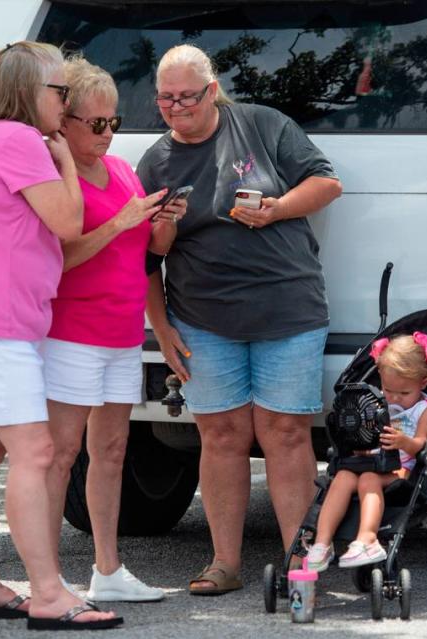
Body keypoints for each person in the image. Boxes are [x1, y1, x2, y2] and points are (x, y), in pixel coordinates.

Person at [0, 41, 121, 630]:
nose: (65, 103)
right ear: (26, 93)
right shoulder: (16, 139)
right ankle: (48, 593)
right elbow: (67, 221)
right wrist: (63, 159)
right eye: (59, 92)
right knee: (34, 453)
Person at [136, 44, 343, 595]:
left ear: (212, 91)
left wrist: (276, 208)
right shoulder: (155, 161)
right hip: (202, 318)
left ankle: (300, 566)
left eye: (186, 96)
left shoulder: (263, 125)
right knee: (221, 436)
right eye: (165, 98)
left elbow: (327, 183)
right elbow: (147, 259)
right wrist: (161, 329)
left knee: (286, 433)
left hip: (288, 308)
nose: (175, 107)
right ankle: (224, 563)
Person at [41, 57, 186, 603]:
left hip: (122, 333)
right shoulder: (58, 176)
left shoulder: (122, 170)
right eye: (96, 124)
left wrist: (163, 224)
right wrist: (123, 221)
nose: (107, 134)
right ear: (65, 120)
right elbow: (59, 255)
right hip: (72, 332)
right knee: (60, 456)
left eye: (113, 124)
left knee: (113, 451)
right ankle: (47, 573)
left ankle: (108, 569)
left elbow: (151, 253)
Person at [305, 333, 427, 571]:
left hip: (399, 468)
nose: (395, 398)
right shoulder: (376, 402)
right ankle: (322, 543)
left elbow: (420, 444)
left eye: (404, 393)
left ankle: (368, 539)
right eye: (388, 390)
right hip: (369, 461)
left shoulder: (424, 409)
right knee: (341, 478)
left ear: (424, 382)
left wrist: (402, 442)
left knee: (368, 479)